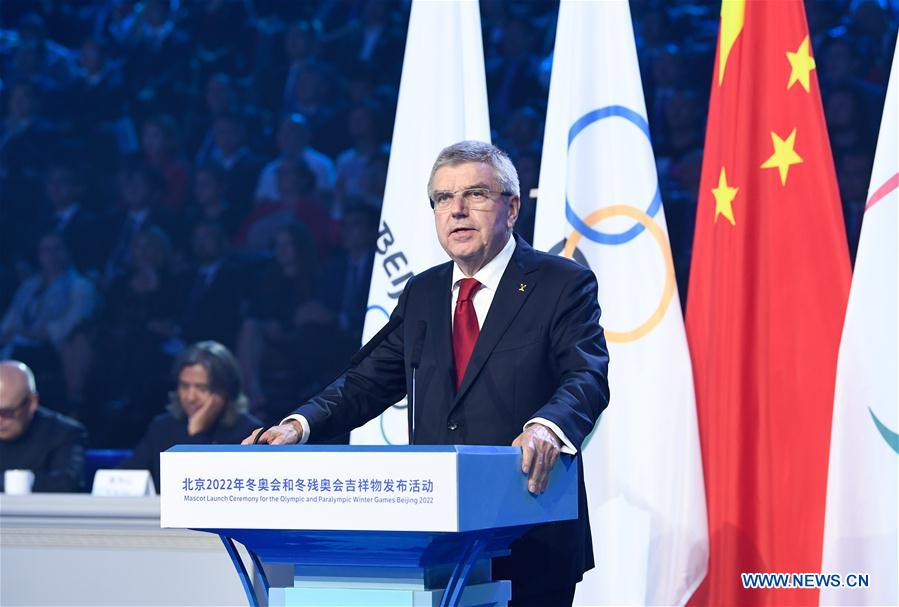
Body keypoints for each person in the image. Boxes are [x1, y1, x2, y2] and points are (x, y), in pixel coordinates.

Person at [245, 141, 610, 606]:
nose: (456, 210)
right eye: (442, 199)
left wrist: (545, 426)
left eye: (475, 194)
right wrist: (298, 426)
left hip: (530, 532)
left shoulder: (561, 283)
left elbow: (587, 375)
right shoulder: (424, 293)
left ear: (512, 207)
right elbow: (365, 382)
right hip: (439, 538)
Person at [120, 341, 262, 492]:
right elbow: (125, 478)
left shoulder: (249, 433)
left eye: (201, 388)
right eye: (184, 386)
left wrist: (197, 434)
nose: (190, 397)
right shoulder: (163, 428)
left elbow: (203, 493)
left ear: (225, 391)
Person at [0, 360, 87, 493]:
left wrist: (12, 482)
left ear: (32, 403)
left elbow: (68, 483)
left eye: (6, 413)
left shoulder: (64, 434)